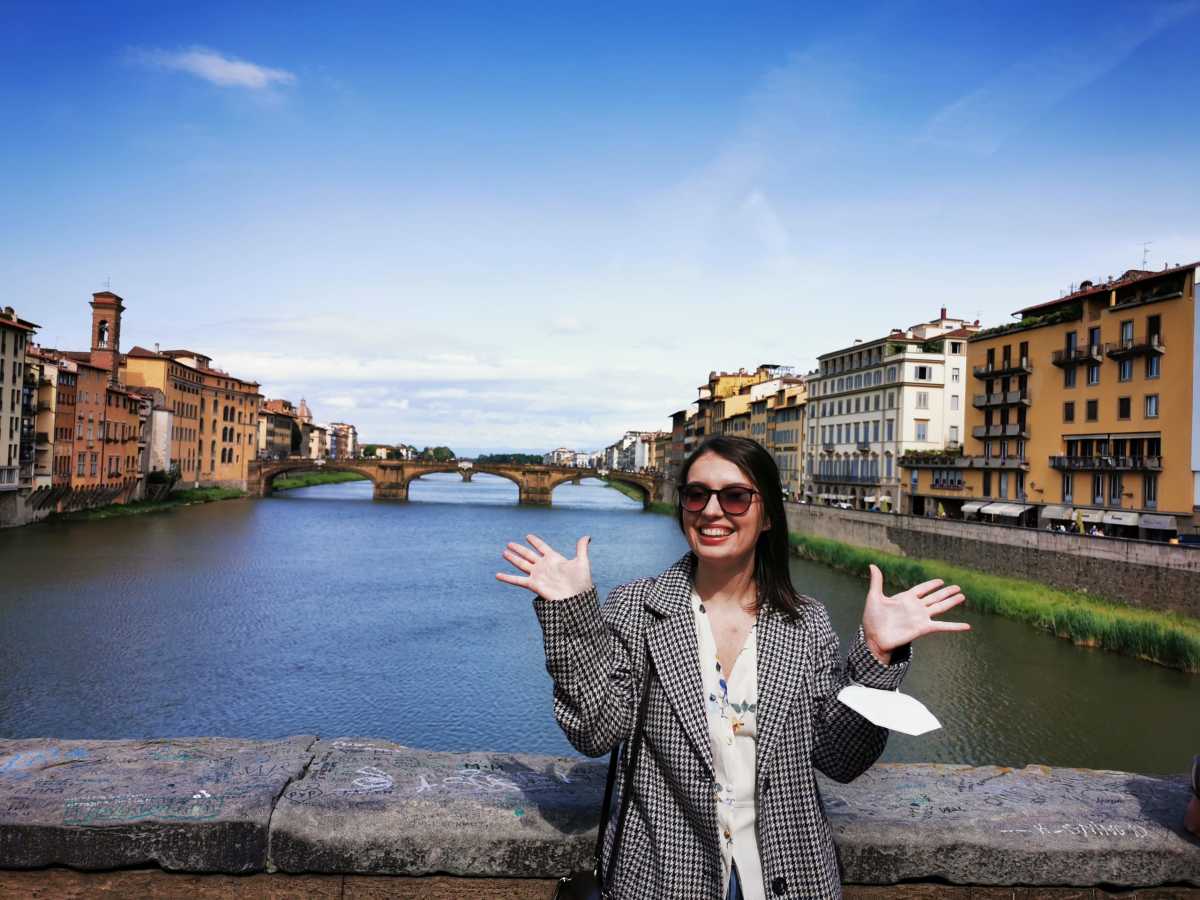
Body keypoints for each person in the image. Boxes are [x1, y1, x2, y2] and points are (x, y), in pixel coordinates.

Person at [497, 436, 970, 899]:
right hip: (664, 879)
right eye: (696, 494)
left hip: (791, 878)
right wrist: (573, 614)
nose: (711, 510)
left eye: (735, 497)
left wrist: (876, 657)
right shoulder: (637, 607)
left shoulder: (806, 623)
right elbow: (595, 731)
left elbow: (840, 759)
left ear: (768, 516)